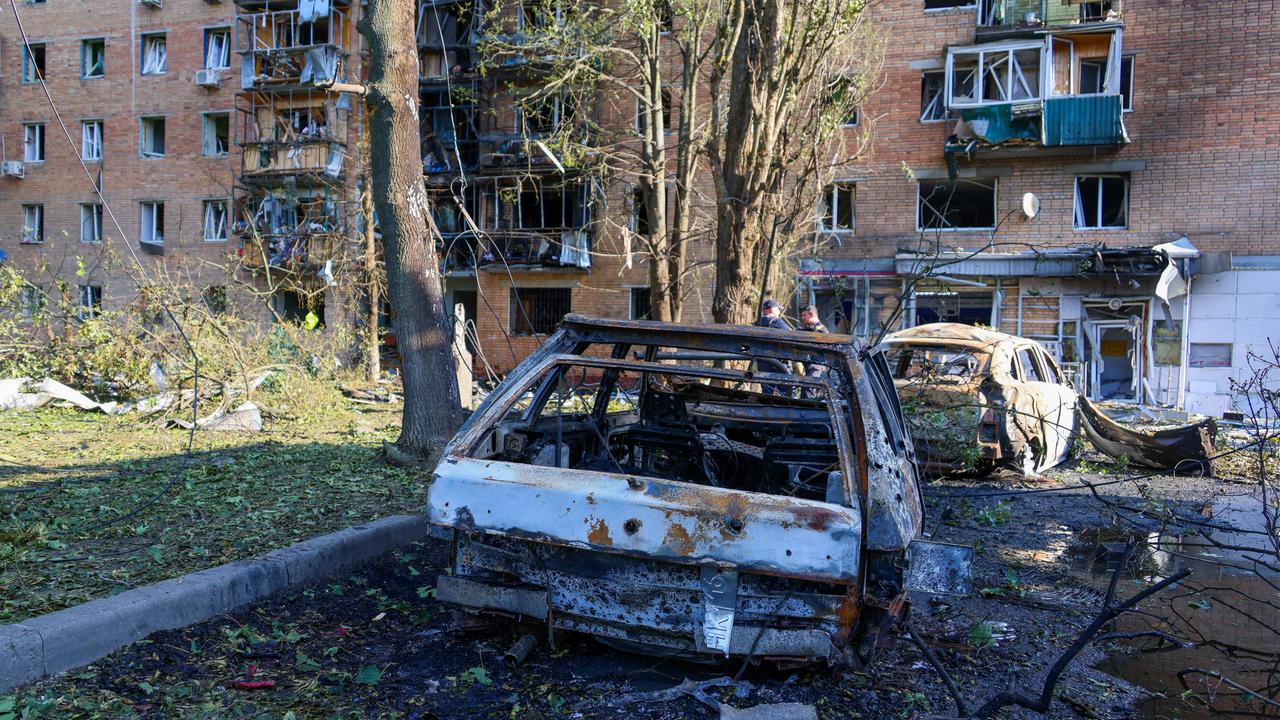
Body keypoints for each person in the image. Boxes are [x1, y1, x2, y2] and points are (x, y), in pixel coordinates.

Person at [752, 299, 792, 395]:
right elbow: (790, 333)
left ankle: (766, 407)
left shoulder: (757, 323)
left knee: (767, 391)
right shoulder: (776, 321)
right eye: (778, 309)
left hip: (762, 362)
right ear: (771, 310)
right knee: (784, 391)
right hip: (777, 362)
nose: (779, 311)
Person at [797, 304, 828, 397]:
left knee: (808, 394)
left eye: (804, 315)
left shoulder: (821, 330)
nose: (802, 318)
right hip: (811, 366)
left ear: (811, 314)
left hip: (816, 366)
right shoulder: (808, 329)